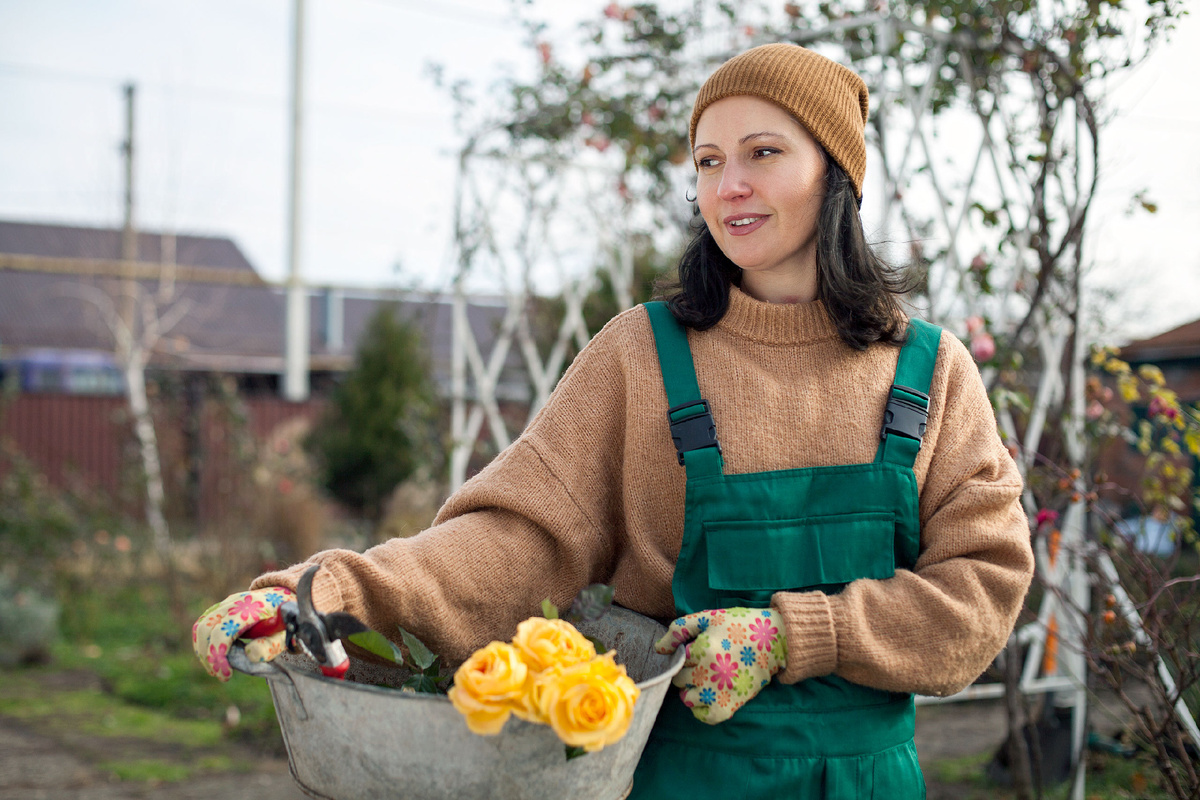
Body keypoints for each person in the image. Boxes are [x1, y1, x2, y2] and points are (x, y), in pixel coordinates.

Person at [194, 42, 1034, 798]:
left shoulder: (930, 372)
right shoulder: (644, 353)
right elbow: (516, 541)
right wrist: (333, 592)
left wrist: (791, 635)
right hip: (678, 776)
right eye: (708, 161)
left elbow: (982, 590)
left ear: (837, 174)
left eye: (763, 153)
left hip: (870, 783)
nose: (728, 184)